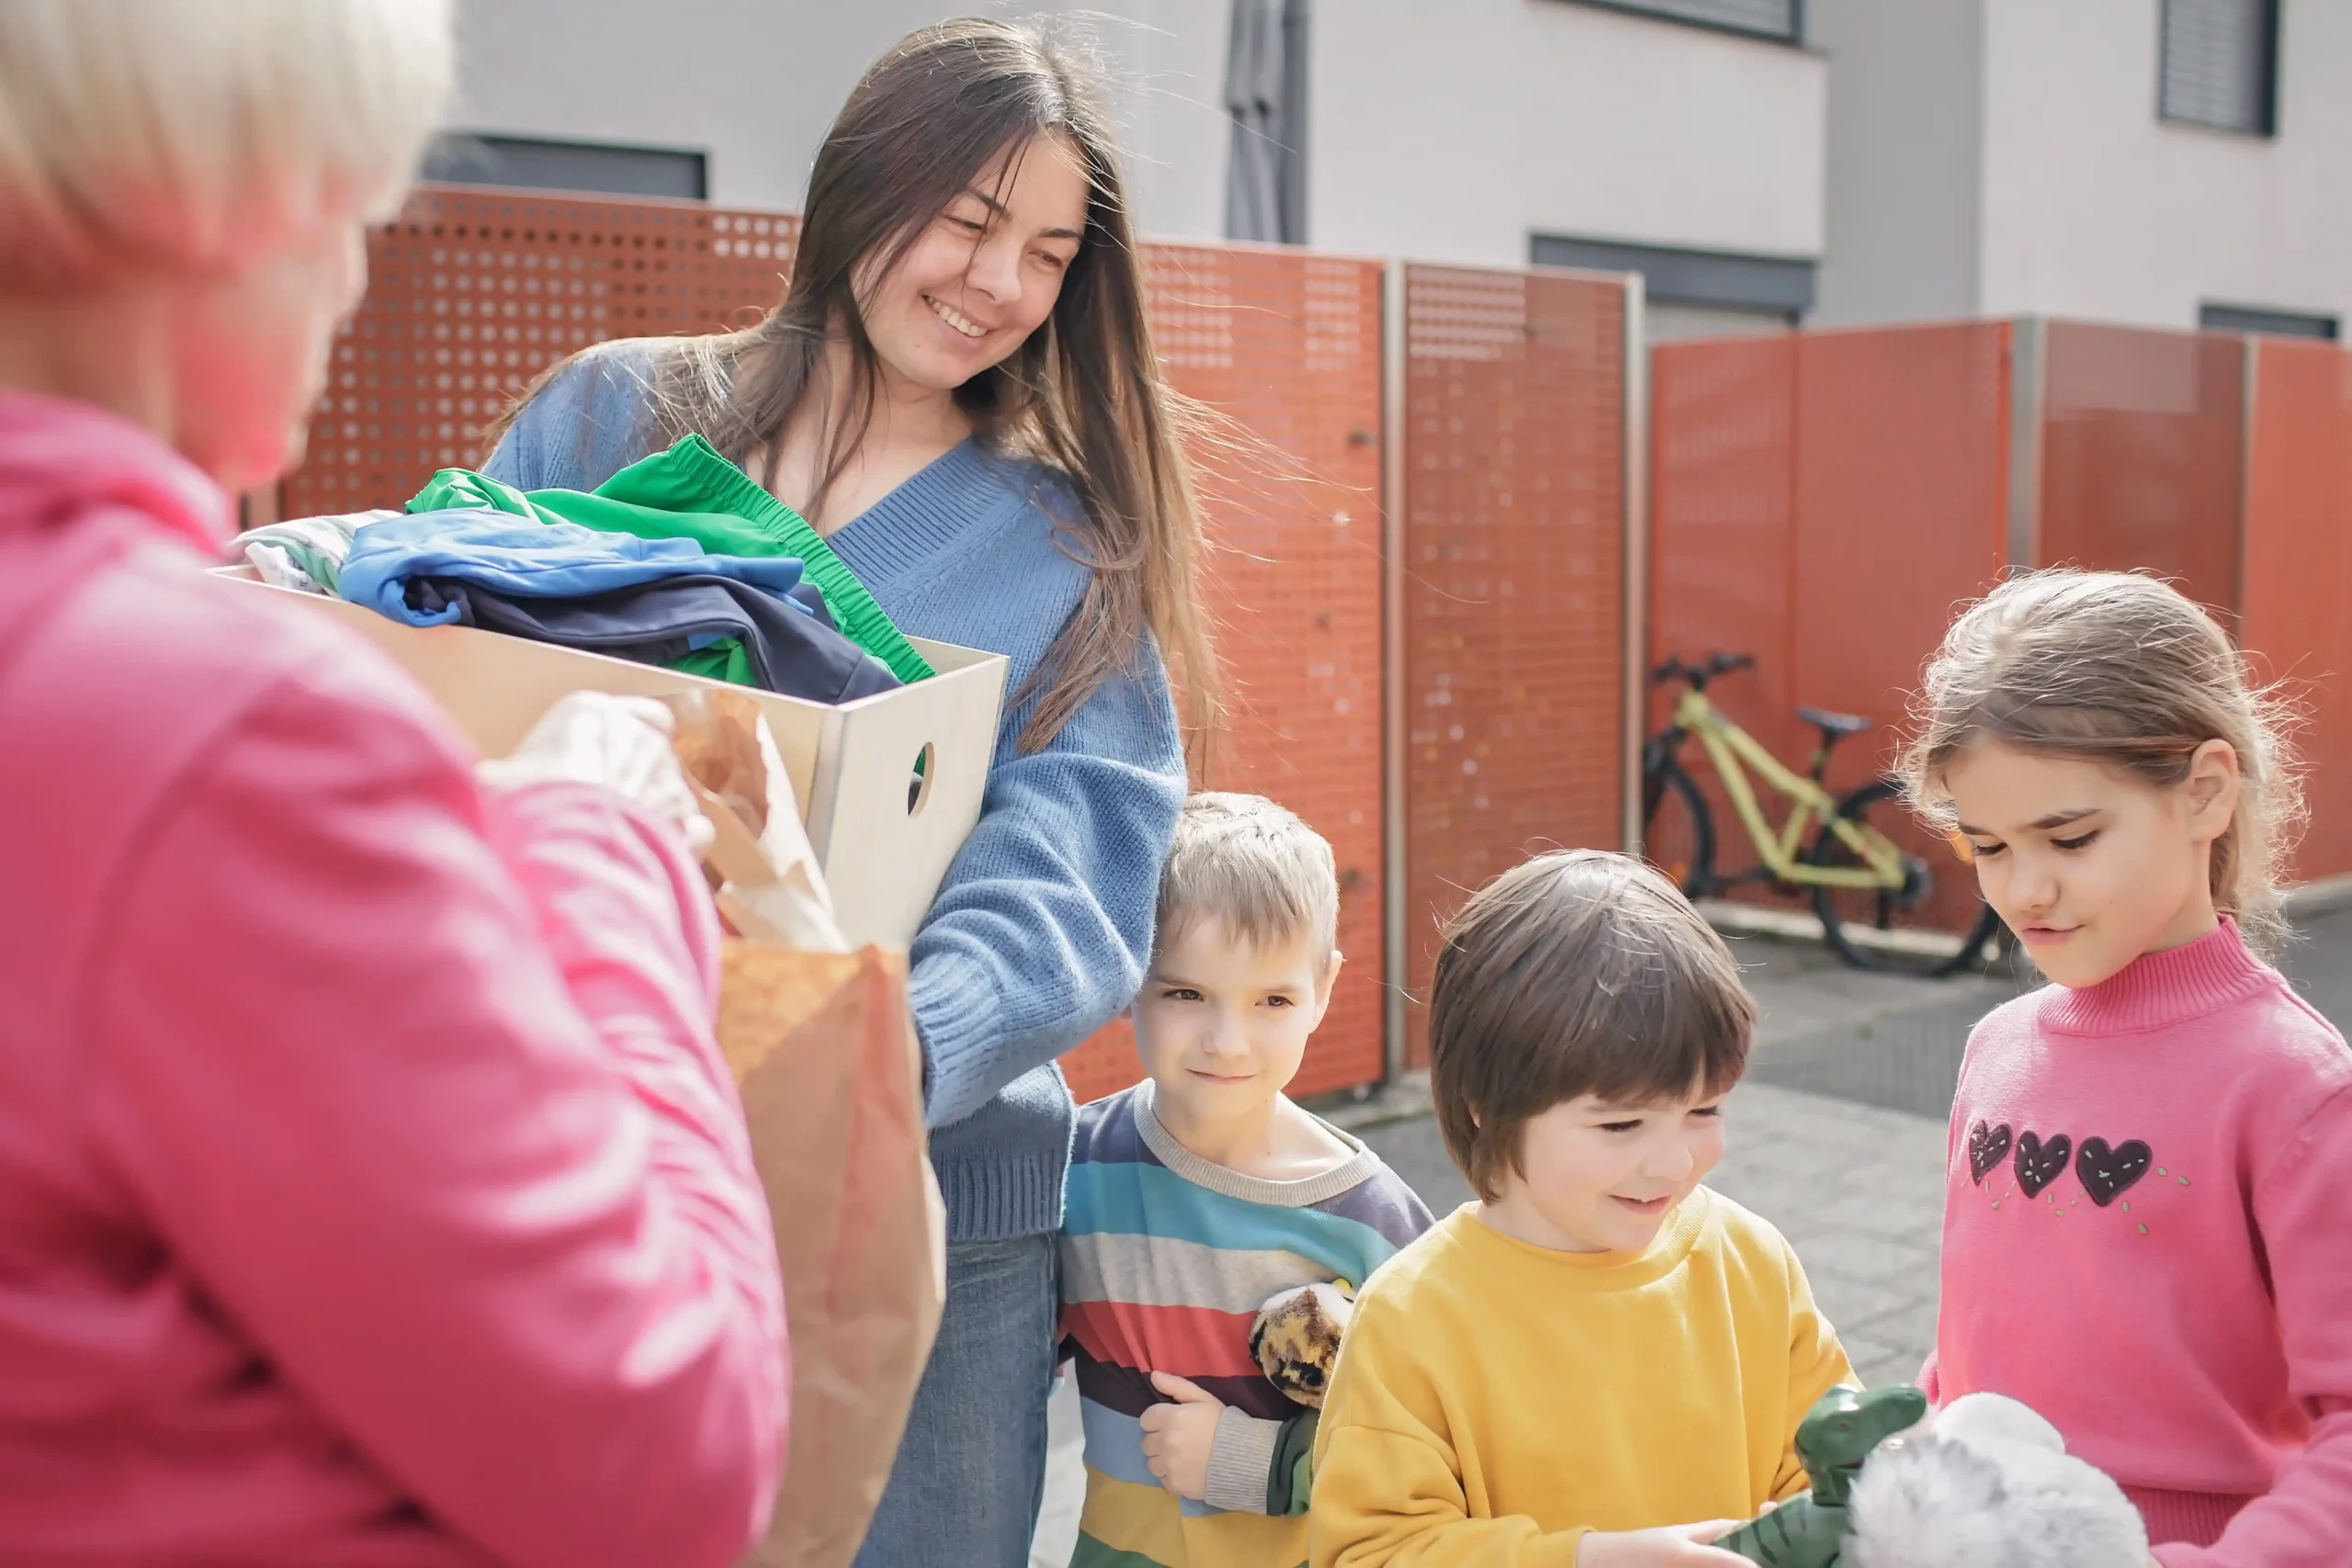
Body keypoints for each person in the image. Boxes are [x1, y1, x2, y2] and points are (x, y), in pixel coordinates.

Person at [0, 5, 786, 1567]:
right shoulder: (226, 744)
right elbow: (664, 1452)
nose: (354, 280)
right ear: (212, 202)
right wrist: (600, 843)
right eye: (351, 214)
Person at [481, 18, 1216, 1563]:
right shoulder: (614, 419)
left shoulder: (1069, 546)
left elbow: (1074, 866)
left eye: (1047, 248)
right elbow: (454, 670)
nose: (998, 282)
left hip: (934, 1193)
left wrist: (874, 1054)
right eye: (966, 218)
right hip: (589, 1143)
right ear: (861, 185)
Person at [1903, 570, 2352, 1568]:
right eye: (1986, 845)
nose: (2024, 887)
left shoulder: (2293, 1089)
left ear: (2203, 793)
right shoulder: (1996, 1047)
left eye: (2069, 837)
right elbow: (1977, 1349)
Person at [1309, 851, 1856, 1568]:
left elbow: (1820, 1463)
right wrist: (1592, 1557)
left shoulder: (1750, 1260)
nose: (1672, 1160)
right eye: (1620, 1125)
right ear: (1486, 1105)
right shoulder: (1414, 1317)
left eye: (1704, 1108)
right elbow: (1371, 1550)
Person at [1057, 793, 1433, 1568]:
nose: (1227, 1042)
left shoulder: (1374, 1219)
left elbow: (1432, 1453)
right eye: (1187, 993)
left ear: (1324, 989)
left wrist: (1259, 1462)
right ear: (1131, 970)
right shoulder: (1071, 1170)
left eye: (1272, 1000)